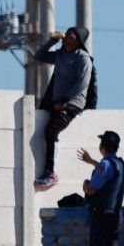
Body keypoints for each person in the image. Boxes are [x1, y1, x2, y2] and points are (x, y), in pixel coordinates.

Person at [34, 27, 92, 187]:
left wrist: (65, 100)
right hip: (57, 102)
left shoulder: (83, 57)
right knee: (46, 130)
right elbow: (39, 56)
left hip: (72, 103)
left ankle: (51, 173)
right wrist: (52, 41)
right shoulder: (61, 55)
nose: (66, 35)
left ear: (78, 39)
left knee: (51, 130)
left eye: (71, 33)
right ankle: (49, 171)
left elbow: (83, 83)